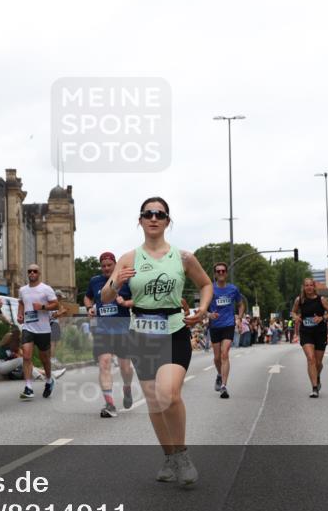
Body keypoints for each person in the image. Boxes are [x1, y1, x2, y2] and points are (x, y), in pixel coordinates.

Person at [100, 197, 211, 486]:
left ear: (167, 221)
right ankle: (169, 456)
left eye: (159, 214)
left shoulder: (183, 257)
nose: (153, 218)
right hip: (142, 336)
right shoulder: (128, 258)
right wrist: (117, 282)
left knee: (169, 394)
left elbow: (205, 284)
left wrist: (201, 310)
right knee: (153, 400)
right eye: (148, 214)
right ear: (140, 220)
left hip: (174, 330)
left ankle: (182, 455)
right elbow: (105, 296)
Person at [84, 251, 137, 417]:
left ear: (115, 265)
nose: (106, 268)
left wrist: (126, 302)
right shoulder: (95, 281)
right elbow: (87, 297)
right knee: (104, 363)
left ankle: (127, 388)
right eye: (103, 266)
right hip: (103, 331)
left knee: (125, 369)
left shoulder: (126, 280)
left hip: (122, 331)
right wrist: (89, 308)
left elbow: (139, 299)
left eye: (109, 265)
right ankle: (109, 404)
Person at [16, 263, 60, 399]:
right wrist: (20, 314)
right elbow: (21, 303)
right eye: (29, 271)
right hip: (28, 327)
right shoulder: (23, 290)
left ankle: (48, 380)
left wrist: (42, 306)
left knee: (44, 358)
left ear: (39, 273)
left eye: (35, 271)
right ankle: (28, 387)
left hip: (43, 329)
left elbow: (56, 304)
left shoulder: (46, 289)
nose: (32, 273)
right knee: (27, 356)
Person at [207, 262, 244, 399]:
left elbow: (240, 304)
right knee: (217, 358)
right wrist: (209, 315)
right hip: (215, 326)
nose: (221, 273)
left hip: (228, 325)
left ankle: (224, 385)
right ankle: (219, 374)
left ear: (226, 273)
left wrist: (239, 319)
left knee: (224, 354)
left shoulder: (233, 289)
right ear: (215, 274)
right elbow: (203, 308)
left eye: (223, 271)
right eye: (218, 271)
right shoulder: (210, 289)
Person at [291, 277, 328, 398]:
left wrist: (323, 318)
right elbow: (293, 312)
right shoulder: (299, 300)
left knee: (318, 363)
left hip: (320, 332)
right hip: (306, 332)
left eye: (311, 285)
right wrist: (296, 317)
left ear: (314, 287)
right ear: (303, 287)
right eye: (306, 285)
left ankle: (317, 376)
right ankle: (314, 387)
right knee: (311, 359)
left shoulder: (322, 300)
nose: (309, 287)